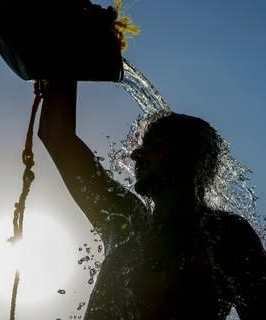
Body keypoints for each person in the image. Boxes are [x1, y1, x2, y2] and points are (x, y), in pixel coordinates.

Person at [38, 81, 266, 320]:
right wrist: (61, 65)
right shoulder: (124, 219)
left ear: (192, 159)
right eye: (141, 146)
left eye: (155, 145)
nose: (137, 154)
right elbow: (56, 135)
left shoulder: (225, 235)